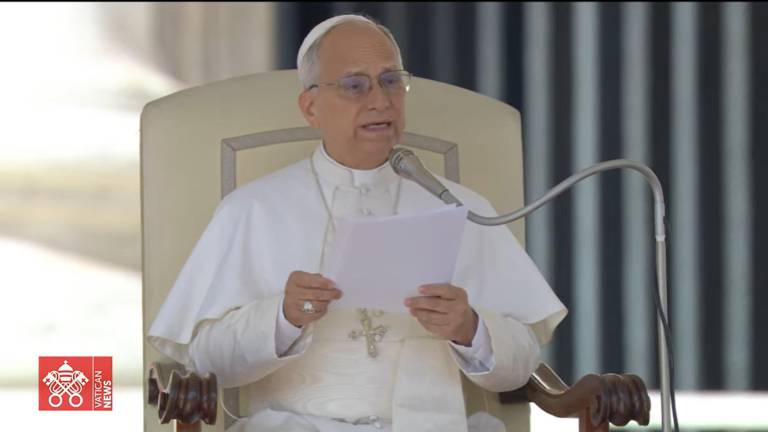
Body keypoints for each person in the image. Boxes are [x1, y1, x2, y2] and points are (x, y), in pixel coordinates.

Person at [148, 14, 566, 432]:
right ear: (311, 107)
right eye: (354, 85)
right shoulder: (253, 209)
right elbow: (206, 362)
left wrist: (470, 329)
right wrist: (282, 319)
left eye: (391, 81)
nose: (380, 101)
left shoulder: (461, 207)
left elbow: (522, 363)